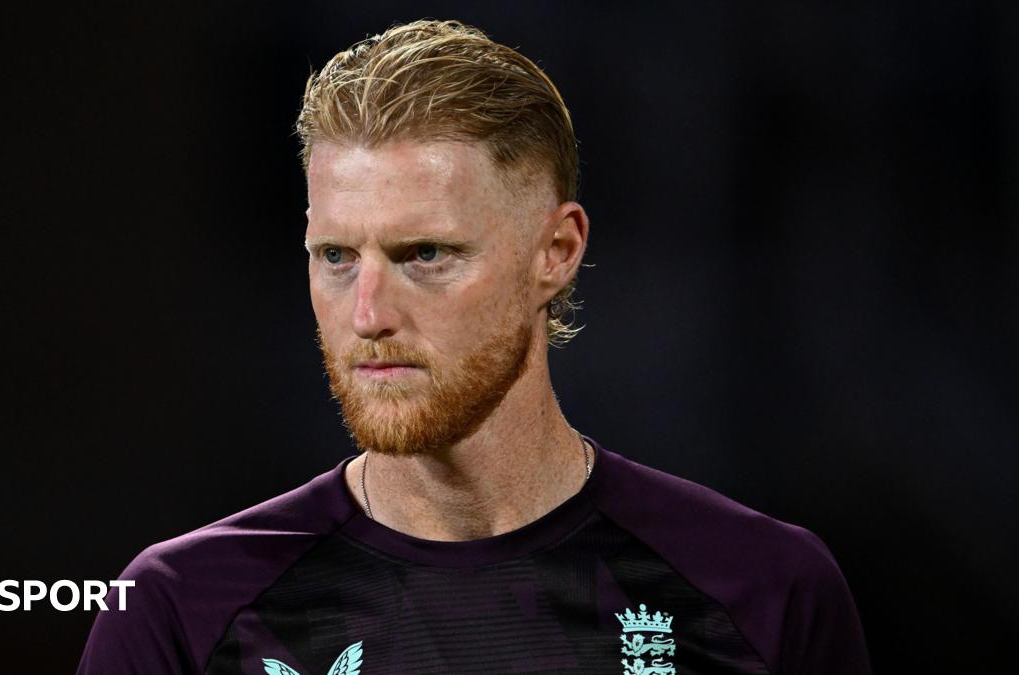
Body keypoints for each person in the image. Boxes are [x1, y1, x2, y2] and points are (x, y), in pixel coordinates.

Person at [78, 19, 871, 675]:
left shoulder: (763, 591)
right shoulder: (182, 609)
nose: (368, 313)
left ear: (555, 251)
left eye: (426, 254)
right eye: (337, 256)